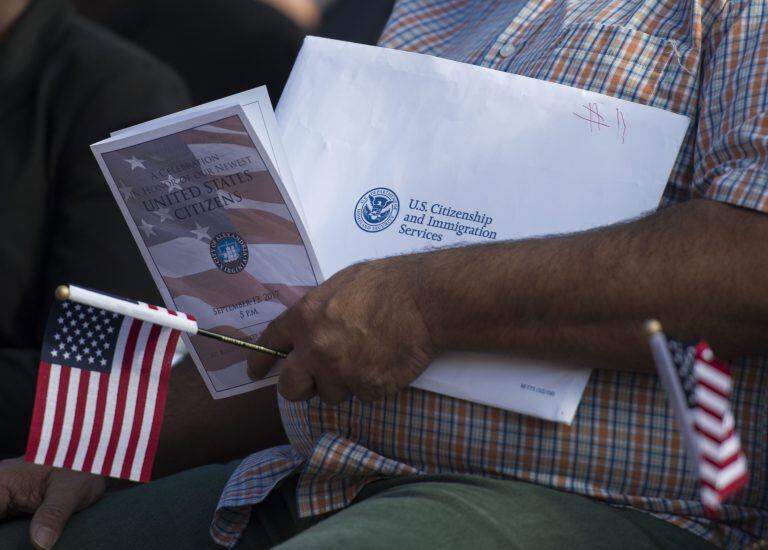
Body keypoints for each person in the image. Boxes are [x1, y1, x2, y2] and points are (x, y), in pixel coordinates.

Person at [2, 0, 767, 548]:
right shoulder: (437, 12)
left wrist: (423, 302)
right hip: (304, 471)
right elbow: (320, 330)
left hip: (599, 503)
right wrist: (108, 447)